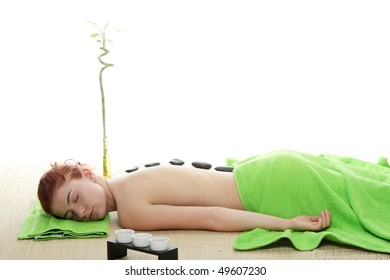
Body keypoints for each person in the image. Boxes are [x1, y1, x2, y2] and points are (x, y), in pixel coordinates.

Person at [37, 151, 332, 232]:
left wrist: (288, 224)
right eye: (71, 216)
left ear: (87, 174)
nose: (81, 213)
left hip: (269, 187)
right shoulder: (129, 178)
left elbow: (213, 217)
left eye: (74, 198)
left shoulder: (131, 213)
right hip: (267, 167)